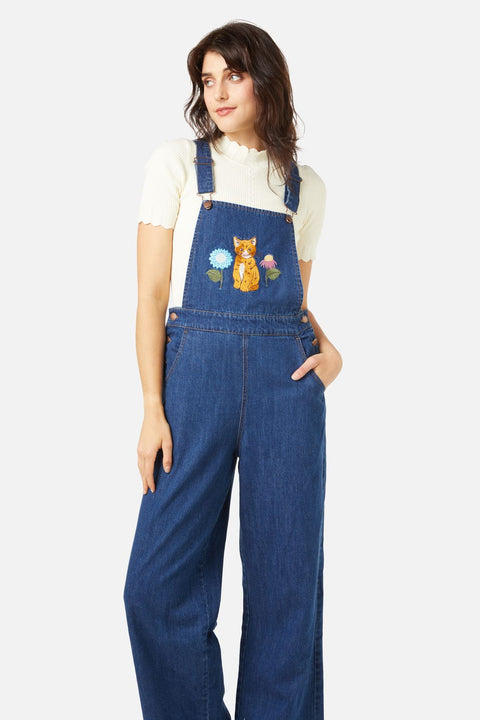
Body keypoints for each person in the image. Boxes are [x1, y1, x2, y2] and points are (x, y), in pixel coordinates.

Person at [123, 19, 343, 720]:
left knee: (286, 587)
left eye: (234, 76)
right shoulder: (178, 166)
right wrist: (152, 408)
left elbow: (293, 301)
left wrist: (332, 352)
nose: (217, 92)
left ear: (265, 81)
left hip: (287, 384)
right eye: (207, 80)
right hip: (193, 383)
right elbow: (152, 295)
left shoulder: (305, 187)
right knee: (154, 589)